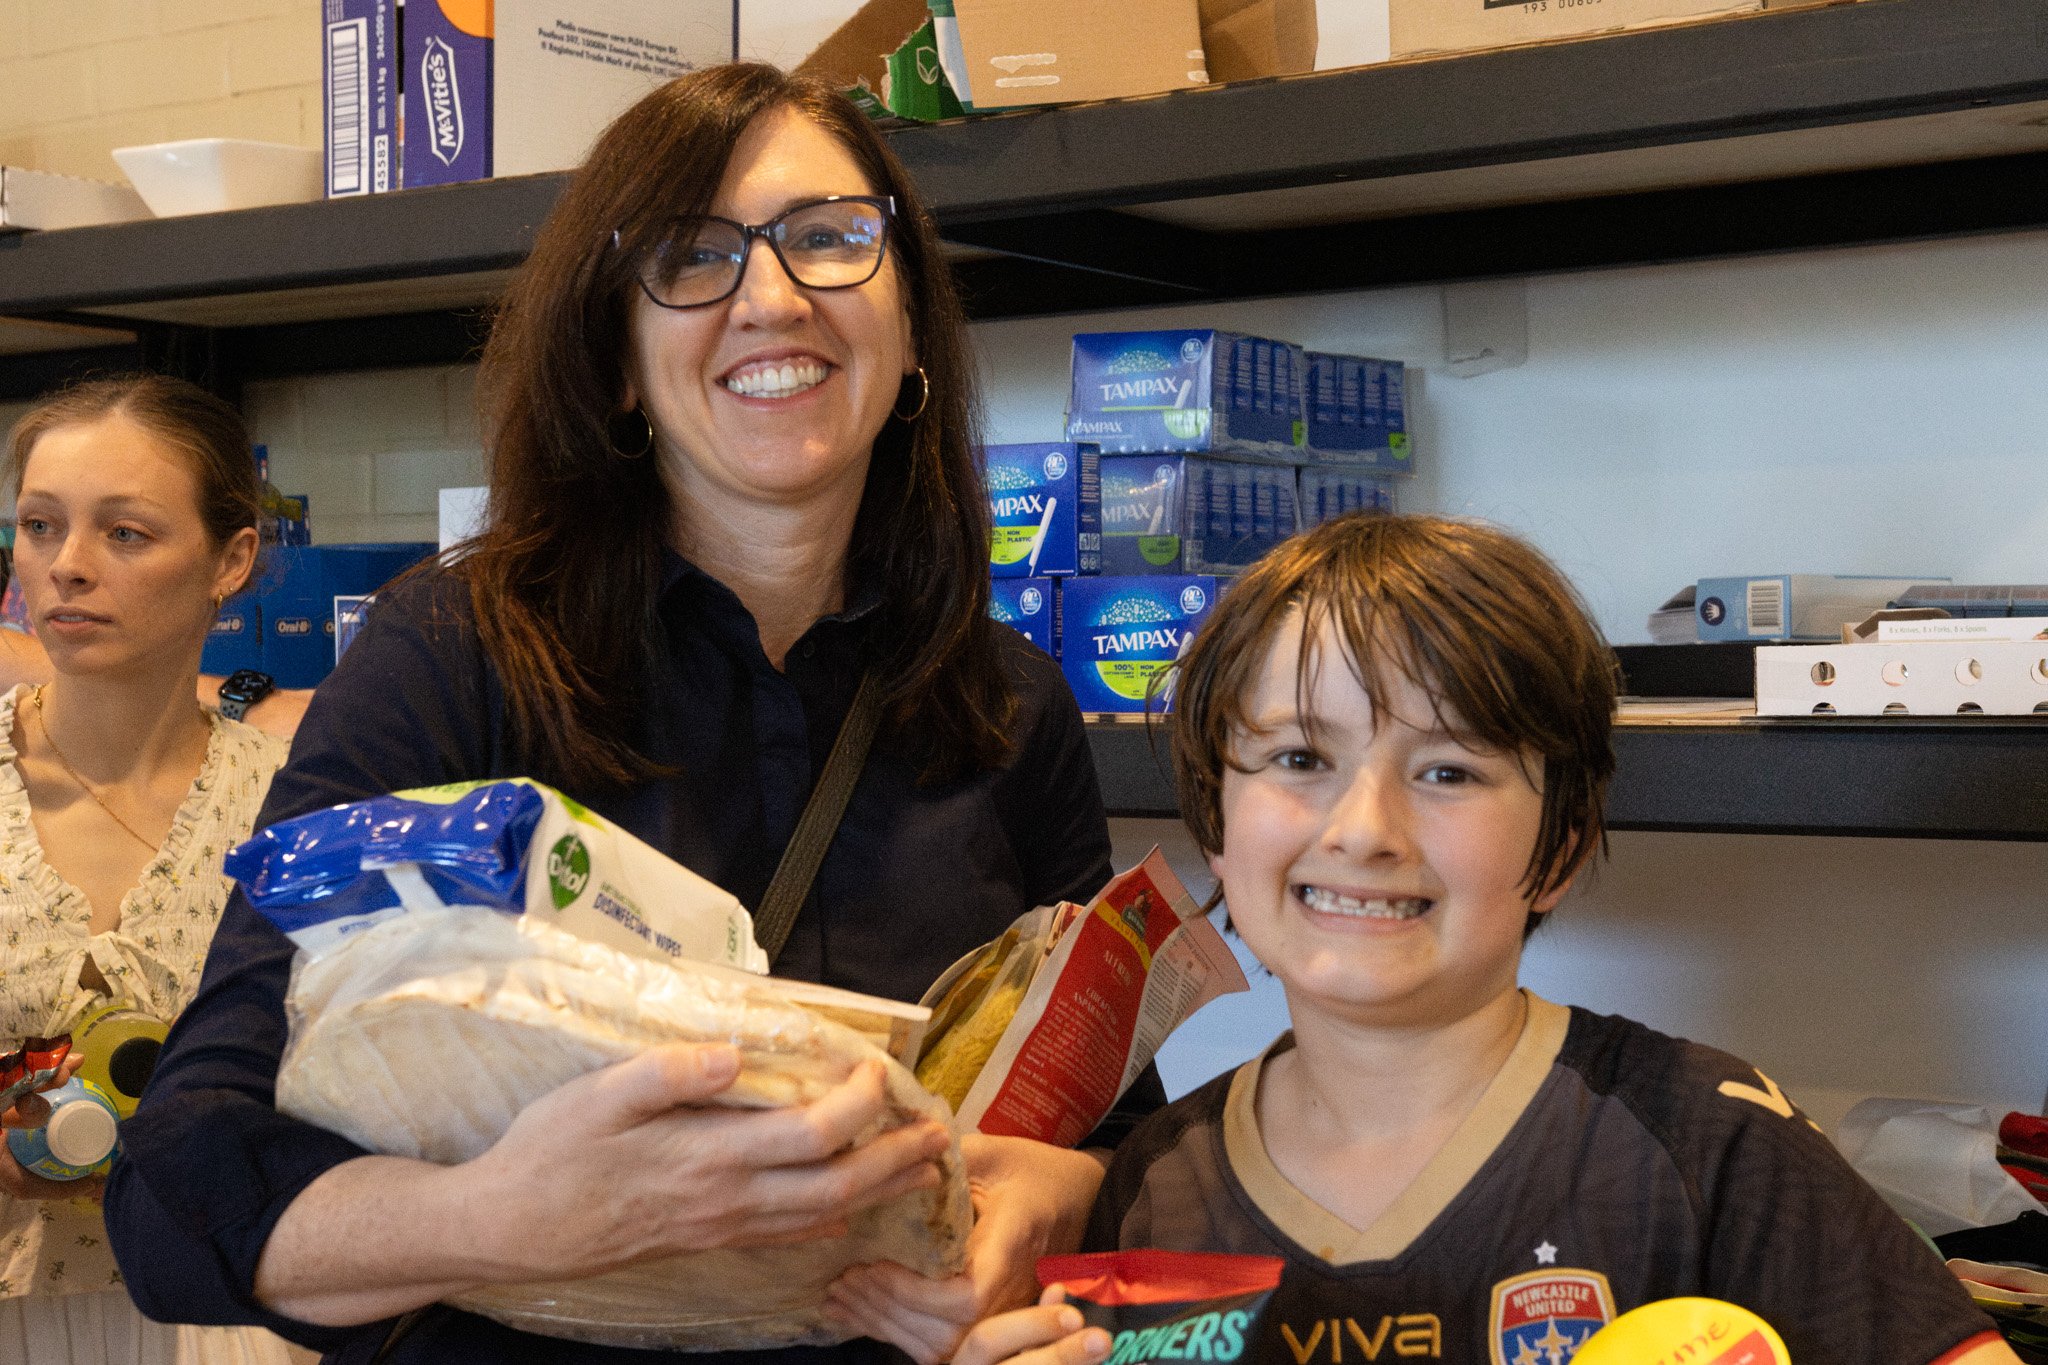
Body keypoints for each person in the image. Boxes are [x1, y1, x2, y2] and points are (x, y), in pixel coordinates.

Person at [103, 63, 1145, 1365]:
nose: (773, 297)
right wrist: (505, 1220)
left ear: (912, 322)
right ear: (618, 366)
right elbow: (174, 1196)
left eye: (830, 237)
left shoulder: (1008, 703)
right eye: (691, 256)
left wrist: (1059, 1195)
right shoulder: (454, 657)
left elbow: (1114, 1125)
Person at [951, 512, 2017, 1365]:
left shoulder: (1708, 1144)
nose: (1363, 829)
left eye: (1447, 771)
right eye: (1298, 759)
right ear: (1216, 826)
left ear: (1561, 844)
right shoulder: (1154, 1186)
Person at [0, 376, 311, 1363]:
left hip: (225, 1320)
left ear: (232, 559)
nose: (66, 566)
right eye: (40, 526)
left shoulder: (293, 807)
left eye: (124, 533)